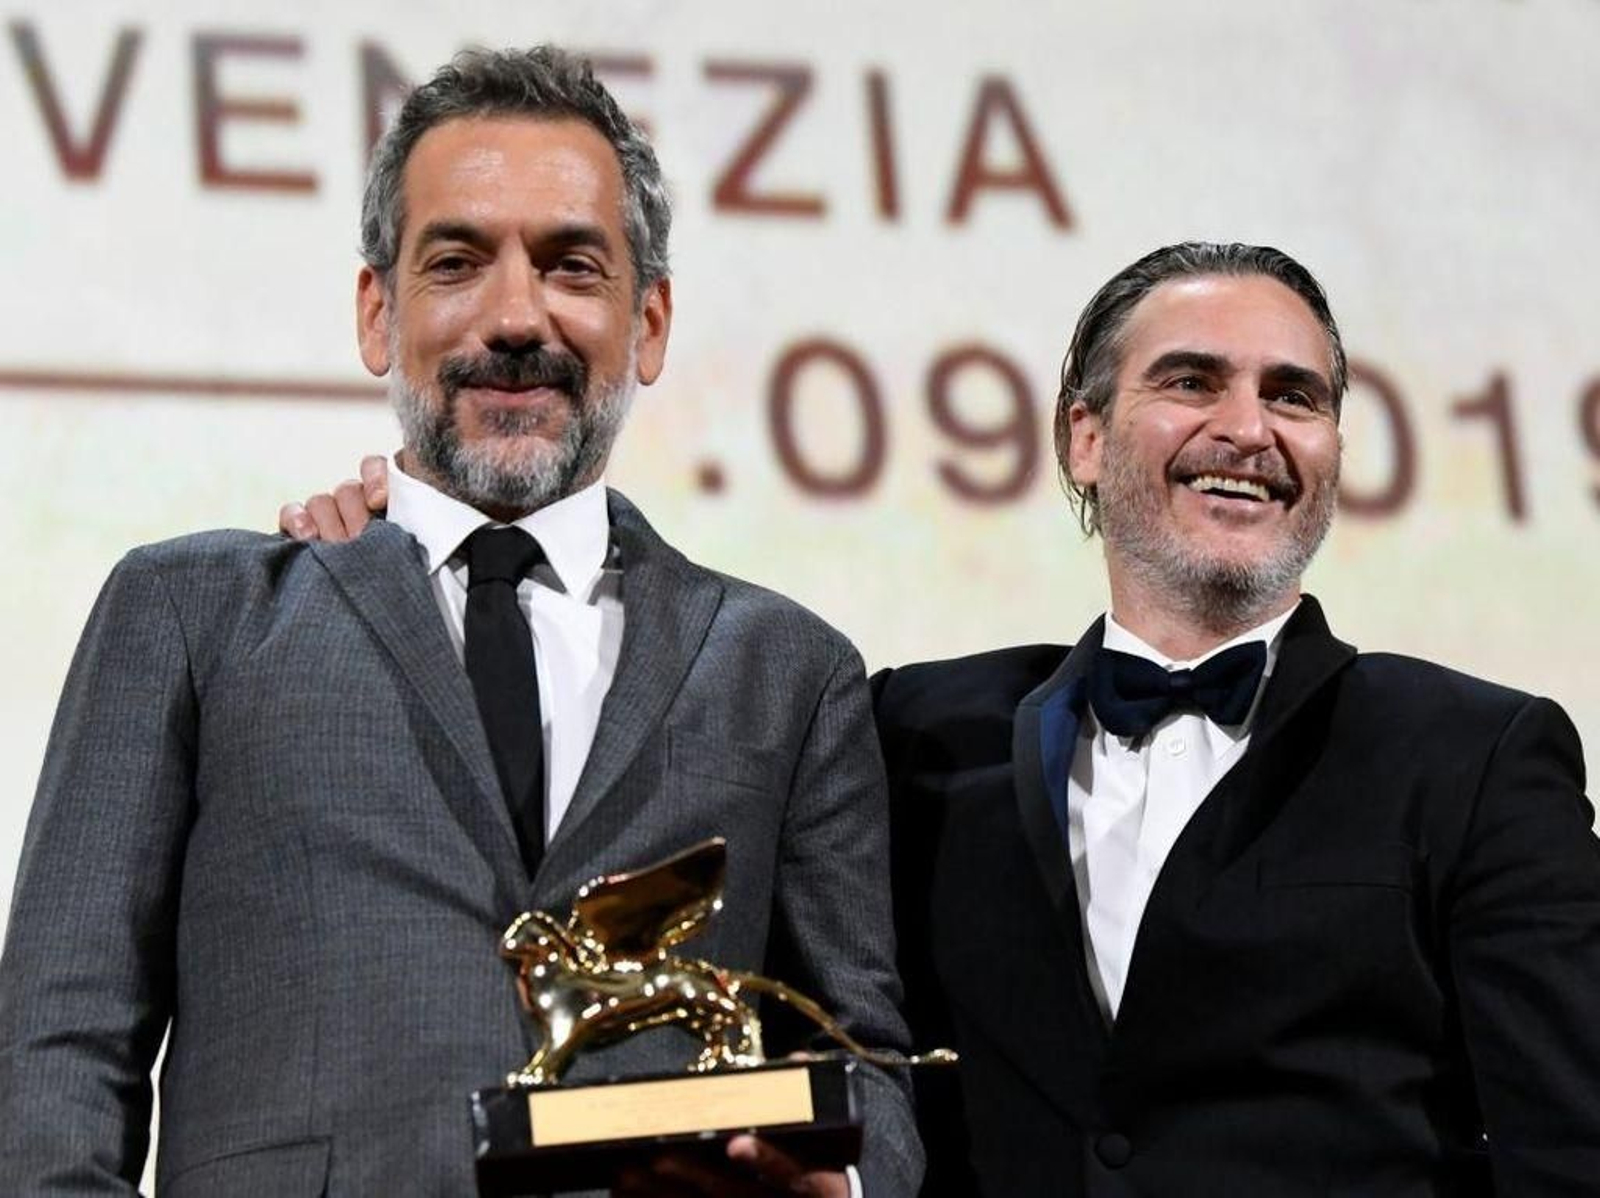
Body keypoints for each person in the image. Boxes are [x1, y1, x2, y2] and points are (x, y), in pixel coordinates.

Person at [277, 244, 1600, 1194]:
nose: (1247, 427)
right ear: (1083, 438)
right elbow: (645, 736)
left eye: (1295, 395)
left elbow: (1566, 1138)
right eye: (1192, 380)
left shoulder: (1478, 754)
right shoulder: (909, 724)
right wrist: (450, 561)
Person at [0, 47, 920, 1197]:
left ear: (650, 322)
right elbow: (58, 1047)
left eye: (572, 266)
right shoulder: (192, 611)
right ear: (378, 311)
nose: (515, 315)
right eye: (457, 261)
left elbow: (863, 1056)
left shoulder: (789, 669)